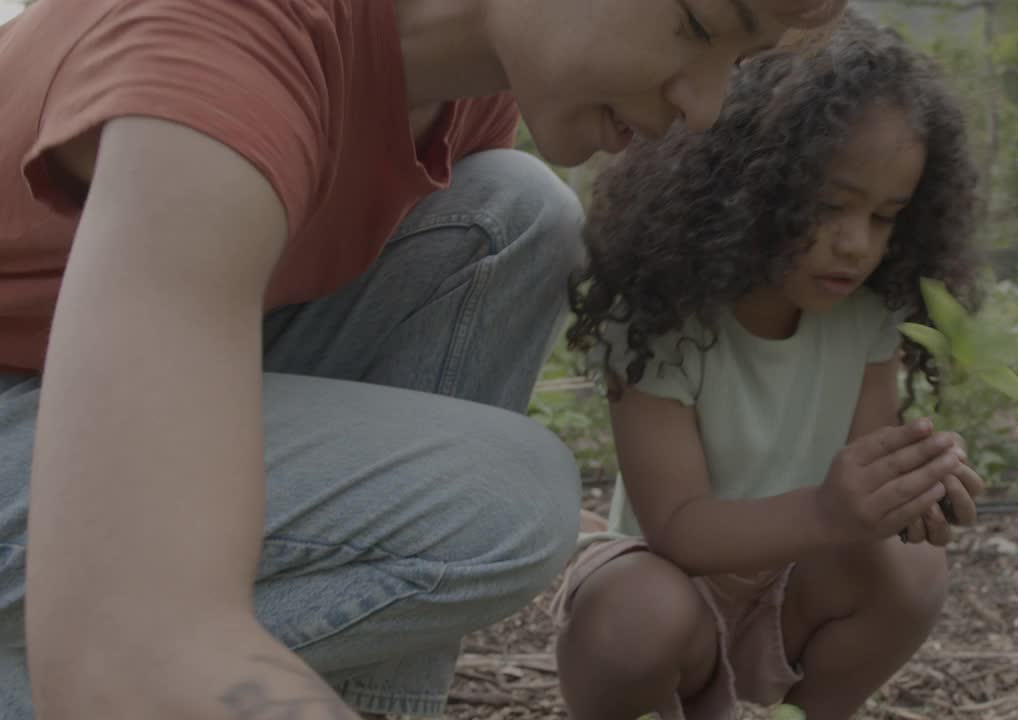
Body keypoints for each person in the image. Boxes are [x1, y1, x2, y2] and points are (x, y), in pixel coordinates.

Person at [0, 0, 846, 718]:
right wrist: (146, 633)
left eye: (745, 58)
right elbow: (127, 640)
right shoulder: (224, 41)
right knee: (502, 494)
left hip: (66, 399)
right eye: (700, 24)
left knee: (517, 212)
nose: (706, 106)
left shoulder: (461, 87)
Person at [554, 11, 985, 720]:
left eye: (884, 216)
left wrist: (911, 489)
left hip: (793, 582)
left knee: (911, 570)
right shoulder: (663, 316)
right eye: (828, 207)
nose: (856, 244)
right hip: (668, 580)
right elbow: (678, 528)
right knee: (634, 617)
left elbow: (861, 486)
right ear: (748, 189)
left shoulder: (865, 315)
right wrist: (829, 508)